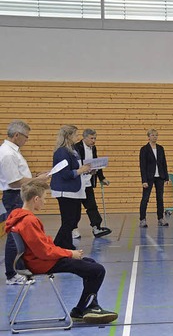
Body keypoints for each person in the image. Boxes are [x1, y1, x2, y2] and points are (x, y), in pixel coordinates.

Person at [4, 180, 118, 324]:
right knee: (98, 270)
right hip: (41, 263)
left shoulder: (18, 215)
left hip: (39, 260)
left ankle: (84, 308)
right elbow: (44, 252)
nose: (44, 202)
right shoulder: (29, 221)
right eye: (44, 199)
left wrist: (65, 251)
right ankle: (87, 308)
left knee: (90, 264)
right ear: (36, 199)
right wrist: (70, 253)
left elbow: (44, 246)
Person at [0, 120, 48, 285]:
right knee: (15, 238)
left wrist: (36, 177)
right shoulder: (7, 153)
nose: (27, 140)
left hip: (18, 195)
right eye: (26, 137)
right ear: (16, 135)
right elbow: (14, 182)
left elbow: (19, 175)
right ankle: (11, 274)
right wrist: (36, 179)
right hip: (14, 197)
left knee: (22, 235)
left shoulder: (13, 151)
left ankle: (19, 268)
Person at [50, 125, 92, 250]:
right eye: (75, 134)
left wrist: (86, 170)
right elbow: (65, 174)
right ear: (68, 136)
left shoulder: (72, 150)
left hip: (74, 190)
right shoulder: (62, 152)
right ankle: (57, 244)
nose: (77, 137)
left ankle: (65, 244)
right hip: (65, 191)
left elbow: (76, 168)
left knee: (74, 218)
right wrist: (81, 170)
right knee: (69, 220)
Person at [72, 129, 111, 239]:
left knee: (92, 206)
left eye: (95, 138)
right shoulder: (76, 148)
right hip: (78, 182)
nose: (94, 141)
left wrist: (101, 178)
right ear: (84, 138)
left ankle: (96, 227)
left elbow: (96, 163)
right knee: (76, 208)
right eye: (91, 138)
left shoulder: (93, 148)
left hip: (88, 181)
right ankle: (74, 229)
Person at [139, 129, 170, 228]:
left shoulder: (161, 148)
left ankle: (160, 218)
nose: (155, 137)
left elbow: (164, 163)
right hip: (149, 177)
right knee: (145, 198)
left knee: (160, 198)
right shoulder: (144, 149)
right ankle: (142, 219)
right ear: (148, 137)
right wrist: (144, 180)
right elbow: (142, 166)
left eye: (156, 135)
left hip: (160, 177)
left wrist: (166, 177)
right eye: (152, 135)